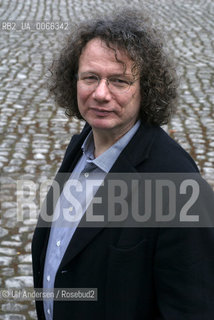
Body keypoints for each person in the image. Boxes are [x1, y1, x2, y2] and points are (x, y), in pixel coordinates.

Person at [32, 9, 214, 320]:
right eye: (90, 77)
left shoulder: (179, 187)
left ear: (146, 89)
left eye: (119, 81)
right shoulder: (80, 146)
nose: (100, 93)